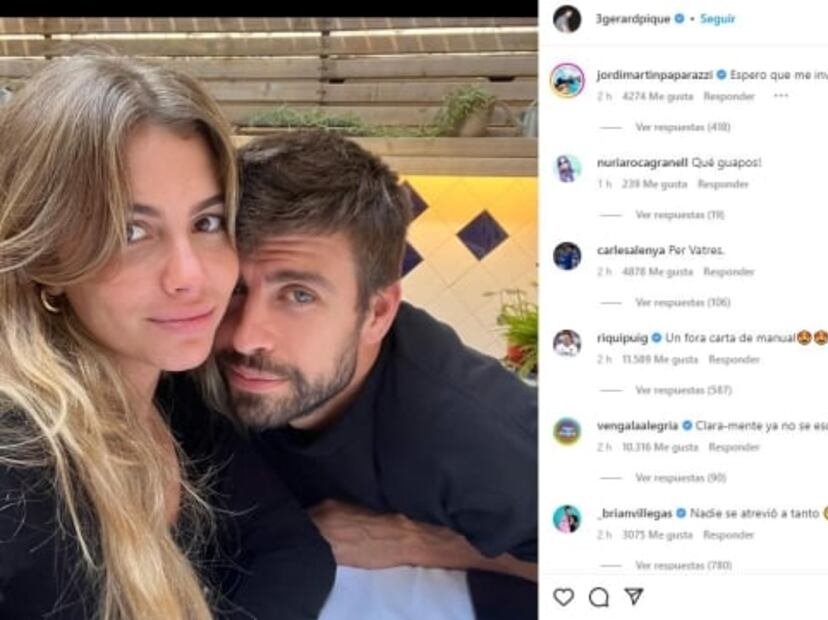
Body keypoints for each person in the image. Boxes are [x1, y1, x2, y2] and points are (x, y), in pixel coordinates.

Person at [0, 52, 334, 619]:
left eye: (206, 222)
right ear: (46, 258)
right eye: (131, 231)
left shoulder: (175, 395)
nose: (190, 276)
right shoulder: (20, 464)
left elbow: (293, 551)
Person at [192, 131, 539, 619]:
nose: (246, 337)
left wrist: (417, 541)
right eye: (234, 288)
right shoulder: (194, 364)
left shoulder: (472, 432)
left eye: (299, 295)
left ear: (377, 313)